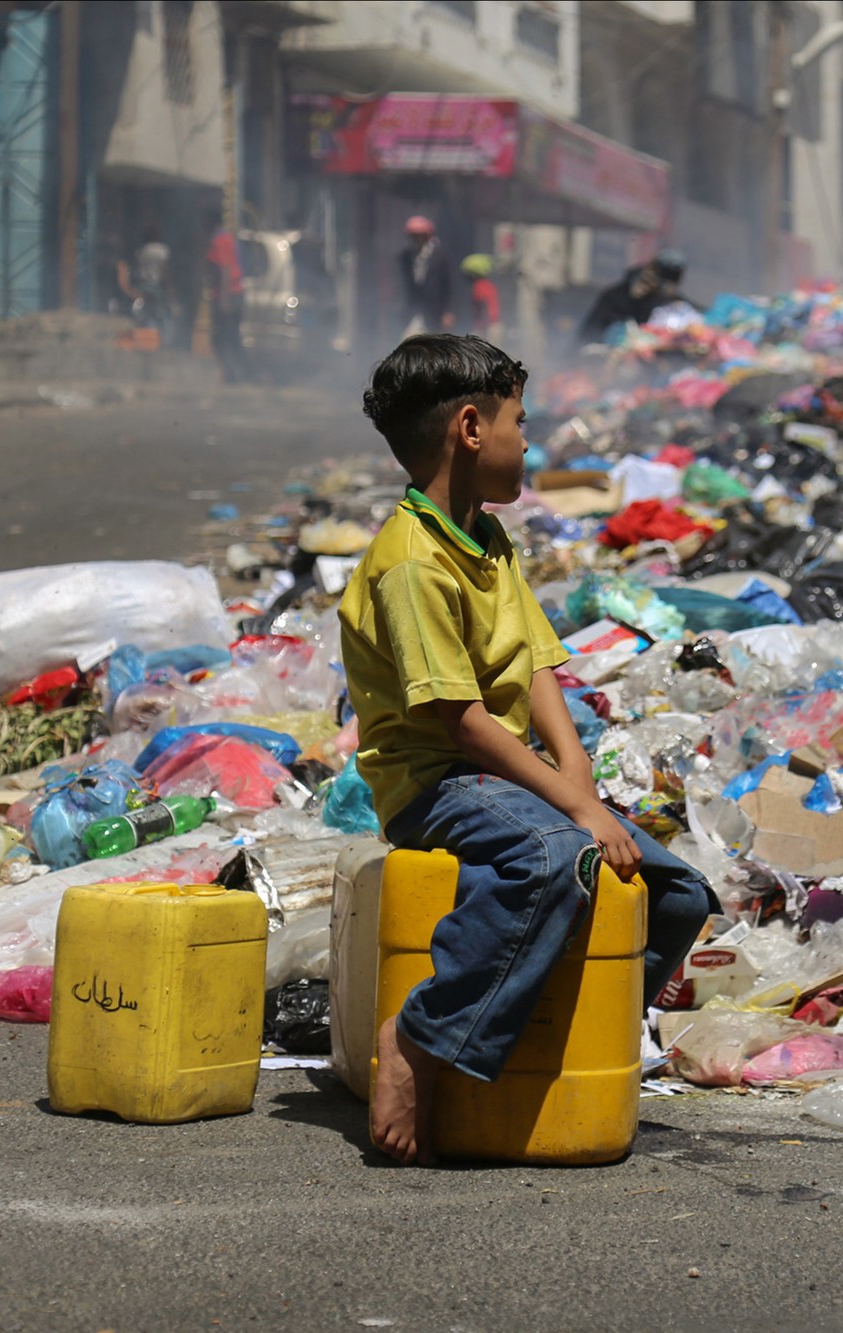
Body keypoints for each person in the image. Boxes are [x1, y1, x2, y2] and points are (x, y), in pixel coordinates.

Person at [340, 334, 715, 1165]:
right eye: (521, 424)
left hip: (506, 777)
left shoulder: (487, 539)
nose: (530, 444)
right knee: (553, 855)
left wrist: (575, 771)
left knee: (679, 891)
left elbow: (539, 664)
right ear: (471, 428)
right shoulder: (410, 563)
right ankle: (422, 1032)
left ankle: (569, 1044)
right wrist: (573, 807)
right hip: (438, 782)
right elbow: (455, 719)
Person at [577, 248, 686, 344]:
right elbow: (591, 331)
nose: (644, 287)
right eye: (645, 281)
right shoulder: (616, 296)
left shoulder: (665, 301)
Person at [204, 221, 252, 383]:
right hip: (233, 294)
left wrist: (224, 299)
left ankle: (236, 375)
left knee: (224, 338)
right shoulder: (228, 238)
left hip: (229, 295)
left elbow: (225, 269)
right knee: (230, 337)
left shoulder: (220, 240)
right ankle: (234, 375)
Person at [399, 215, 456, 338]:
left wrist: (447, 312)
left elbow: (448, 286)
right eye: (414, 236)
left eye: (420, 236)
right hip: (413, 312)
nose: (417, 239)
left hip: (434, 311)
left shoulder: (440, 256)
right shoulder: (405, 257)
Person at [461, 253, 500, 337]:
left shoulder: (479, 286)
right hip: (493, 325)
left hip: (486, 328)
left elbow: (483, 308)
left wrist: (483, 331)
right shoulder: (489, 285)